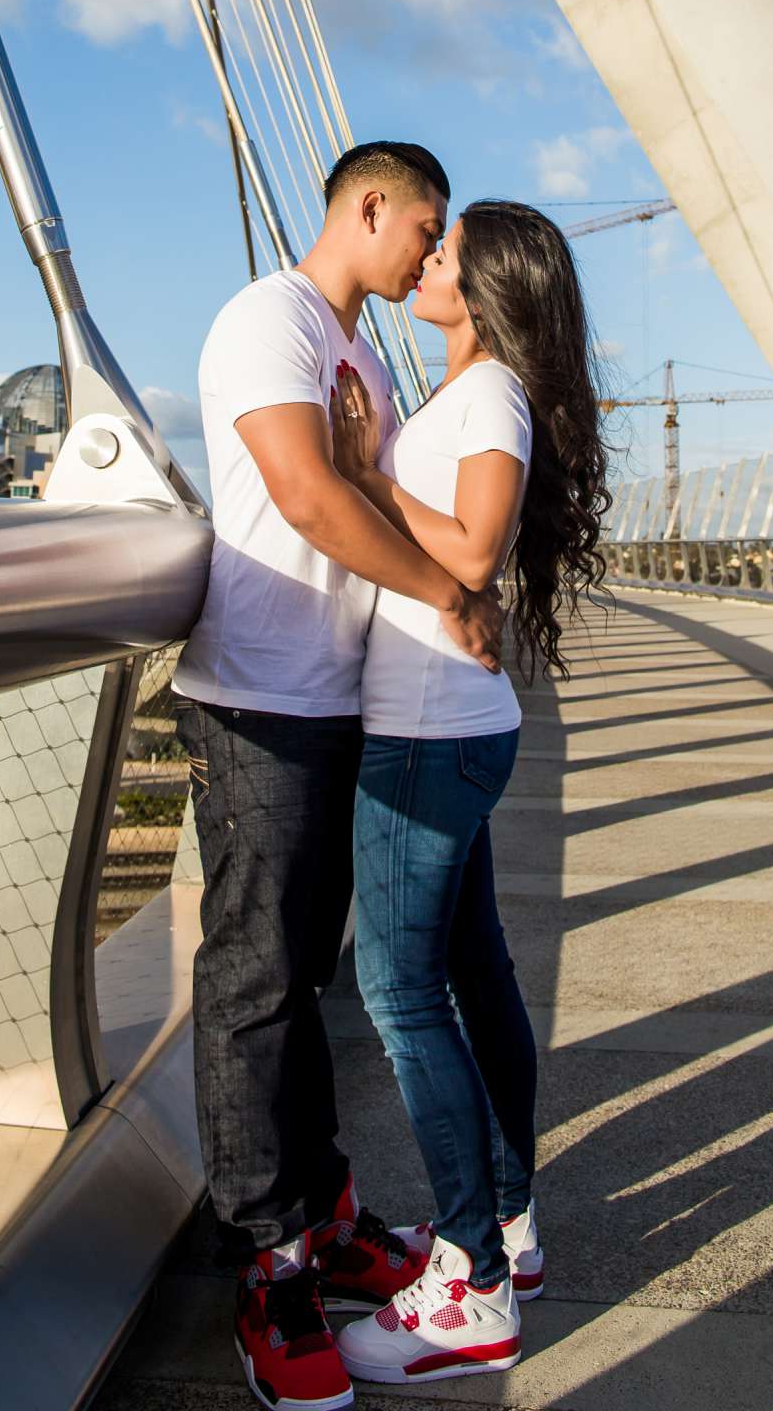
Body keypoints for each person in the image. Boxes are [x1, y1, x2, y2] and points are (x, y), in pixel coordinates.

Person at [174, 142, 504, 1411]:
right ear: (367, 208)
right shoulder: (270, 320)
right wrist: (447, 594)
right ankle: (266, 1263)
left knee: (303, 980)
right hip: (258, 699)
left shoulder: (361, 349)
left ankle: (324, 1213)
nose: (434, 253)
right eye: (423, 228)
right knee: (255, 979)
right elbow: (308, 495)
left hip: (339, 700)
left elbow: (377, 489)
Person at [323, 201, 607, 1388]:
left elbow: (476, 551)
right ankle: (512, 1226)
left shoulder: (487, 398)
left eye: (445, 250)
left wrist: (354, 477)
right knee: (476, 969)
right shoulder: (465, 394)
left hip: (428, 733)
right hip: (451, 721)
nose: (425, 261)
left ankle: (470, 1285)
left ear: (483, 286)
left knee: (399, 994)